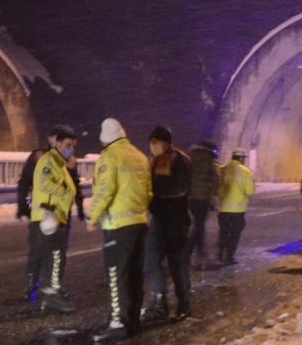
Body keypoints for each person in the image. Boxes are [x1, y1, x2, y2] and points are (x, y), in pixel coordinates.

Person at [86, 118, 152, 342]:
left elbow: (105, 190)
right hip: (139, 224)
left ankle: (117, 323)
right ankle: (132, 322)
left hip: (117, 226)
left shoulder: (109, 157)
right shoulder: (141, 157)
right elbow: (148, 191)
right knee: (134, 275)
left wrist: (91, 216)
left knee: (117, 276)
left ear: (105, 140)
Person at [16, 124, 85, 301]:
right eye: (60, 139)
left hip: (62, 213)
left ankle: (54, 287)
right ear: (52, 139)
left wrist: (79, 205)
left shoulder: (67, 160)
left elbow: (74, 183)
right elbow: (25, 182)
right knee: (38, 249)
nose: (70, 148)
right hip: (45, 212)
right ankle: (31, 285)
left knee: (59, 252)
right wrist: (22, 205)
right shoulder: (39, 157)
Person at [141, 125, 193, 324]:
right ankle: (159, 302)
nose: (152, 146)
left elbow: (183, 188)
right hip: (159, 218)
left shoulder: (180, 160)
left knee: (176, 263)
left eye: (156, 141)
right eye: (151, 142)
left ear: (166, 142)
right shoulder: (153, 161)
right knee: (151, 259)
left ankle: (184, 304)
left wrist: (163, 200)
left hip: (176, 218)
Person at [31, 129, 78, 312]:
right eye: (68, 145)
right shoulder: (49, 161)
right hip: (48, 217)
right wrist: (66, 192)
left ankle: (52, 291)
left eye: (74, 146)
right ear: (58, 144)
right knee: (55, 257)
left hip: (56, 217)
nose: (71, 149)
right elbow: (45, 182)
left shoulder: (60, 163)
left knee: (57, 257)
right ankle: (51, 294)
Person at [216, 148, 255, 265]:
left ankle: (219, 255)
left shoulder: (221, 169)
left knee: (223, 231)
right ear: (241, 158)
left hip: (223, 208)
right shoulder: (246, 172)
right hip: (238, 209)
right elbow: (250, 191)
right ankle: (229, 257)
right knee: (234, 233)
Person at [188, 139, 220, 270]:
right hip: (203, 198)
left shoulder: (191, 158)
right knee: (199, 227)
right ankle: (194, 256)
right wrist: (213, 195)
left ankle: (198, 256)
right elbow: (217, 179)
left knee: (197, 226)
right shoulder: (210, 160)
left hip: (191, 197)